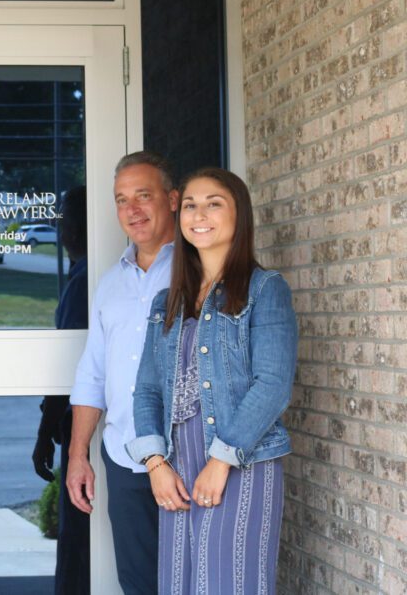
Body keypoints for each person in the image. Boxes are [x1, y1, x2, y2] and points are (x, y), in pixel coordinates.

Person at [126, 167, 296, 593]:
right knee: (181, 584)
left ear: (239, 216)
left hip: (243, 463)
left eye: (213, 203)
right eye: (189, 205)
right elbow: (148, 388)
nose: (198, 214)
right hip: (177, 468)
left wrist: (220, 462)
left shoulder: (265, 289)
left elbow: (272, 384)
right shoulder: (170, 299)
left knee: (229, 582)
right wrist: (155, 464)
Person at [66, 151, 178, 594]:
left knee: (199, 579)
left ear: (171, 200)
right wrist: (79, 455)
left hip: (187, 455)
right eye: (121, 200)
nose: (132, 210)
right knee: (139, 582)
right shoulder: (110, 282)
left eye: (143, 196)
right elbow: (93, 373)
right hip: (125, 455)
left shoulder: (200, 271)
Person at [32, 186, 90, 595]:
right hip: (77, 423)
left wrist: (45, 430)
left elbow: (70, 362)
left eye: (67, 219)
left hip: (84, 425)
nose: (61, 227)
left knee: (80, 540)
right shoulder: (82, 275)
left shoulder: (86, 281)